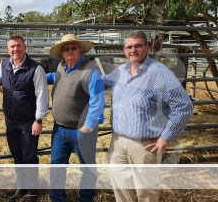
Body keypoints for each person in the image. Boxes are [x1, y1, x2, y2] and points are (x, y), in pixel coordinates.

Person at [104, 31, 193, 202]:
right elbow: (101, 81)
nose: (133, 50)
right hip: (117, 141)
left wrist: (166, 137)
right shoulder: (120, 71)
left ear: (147, 47)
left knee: (147, 194)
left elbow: (183, 105)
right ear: (124, 50)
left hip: (144, 145)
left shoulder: (159, 72)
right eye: (129, 46)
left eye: (138, 45)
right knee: (121, 190)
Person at [0, 35, 49, 202]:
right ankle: (21, 188)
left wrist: (38, 120)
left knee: (29, 156)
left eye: (18, 46)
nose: (15, 49)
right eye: (12, 47)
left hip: (28, 121)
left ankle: (31, 192)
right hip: (10, 119)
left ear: (25, 47)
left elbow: (42, 96)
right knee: (17, 155)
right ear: (8, 49)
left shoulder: (35, 68)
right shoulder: (5, 64)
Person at [46, 34, 105, 202]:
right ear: (62, 53)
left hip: (82, 130)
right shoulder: (60, 67)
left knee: (87, 168)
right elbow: (54, 77)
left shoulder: (89, 71)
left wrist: (88, 127)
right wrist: (36, 78)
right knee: (56, 166)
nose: (70, 51)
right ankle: (57, 198)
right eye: (66, 49)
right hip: (59, 128)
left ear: (80, 50)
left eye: (73, 48)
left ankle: (85, 198)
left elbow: (98, 101)